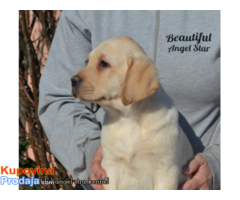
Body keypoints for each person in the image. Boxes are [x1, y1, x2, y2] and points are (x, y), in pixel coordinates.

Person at [38, 10, 221, 190]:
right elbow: (58, 97)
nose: (79, 76)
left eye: (103, 64)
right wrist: (91, 151)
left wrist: (217, 162)